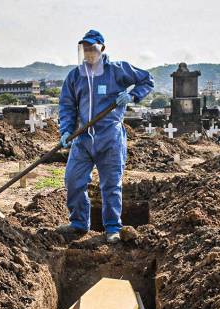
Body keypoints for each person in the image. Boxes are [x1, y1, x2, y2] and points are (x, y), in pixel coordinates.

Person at [58, 30, 154, 243]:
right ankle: (79, 224)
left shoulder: (117, 70)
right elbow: (67, 105)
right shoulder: (75, 76)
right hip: (83, 139)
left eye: (92, 47)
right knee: (73, 180)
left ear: (102, 47)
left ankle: (112, 227)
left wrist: (132, 95)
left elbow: (147, 80)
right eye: (85, 48)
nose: (88, 52)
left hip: (110, 138)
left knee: (110, 185)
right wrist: (66, 130)